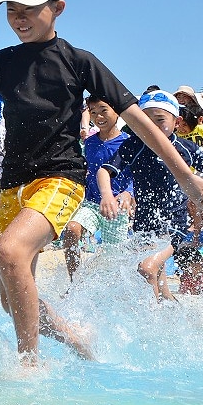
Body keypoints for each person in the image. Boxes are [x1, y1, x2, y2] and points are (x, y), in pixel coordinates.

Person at [0, 0, 203, 362]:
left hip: (60, 178)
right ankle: (75, 337)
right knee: (13, 298)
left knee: (9, 252)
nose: (18, 17)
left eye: (29, 8)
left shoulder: (80, 62)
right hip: (13, 186)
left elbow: (143, 126)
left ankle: (28, 365)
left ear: (57, 7)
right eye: (11, 10)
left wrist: (187, 178)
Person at [98, 90, 203, 303]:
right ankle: (167, 304)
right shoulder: (135, 145)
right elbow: (104, 170)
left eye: (159, 120)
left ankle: (153, 319)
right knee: (156, 272)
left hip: (174, 224)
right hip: (143, 222)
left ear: (177, 122)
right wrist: (107, 194)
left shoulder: (184, 147)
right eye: (145, 121)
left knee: (147, 268)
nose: (152, 127)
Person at [61, 95, 135, 282]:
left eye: (104, 110)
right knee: (71, 230)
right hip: (92, 203)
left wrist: (129, 193)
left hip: (116, 208)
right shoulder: (90, 143)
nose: (99, 116)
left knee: (114, 258)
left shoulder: (127, 143)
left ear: (117, 112)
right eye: (93, 112)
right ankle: (75, 282)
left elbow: (135, 174)